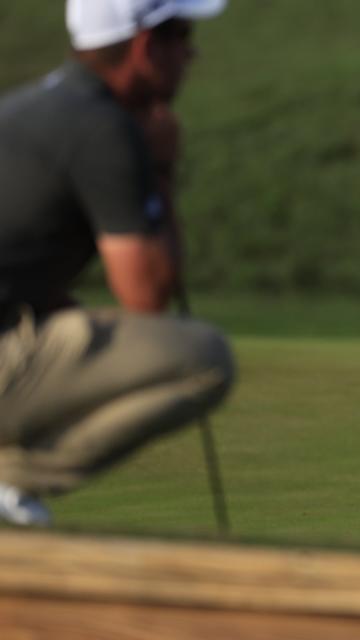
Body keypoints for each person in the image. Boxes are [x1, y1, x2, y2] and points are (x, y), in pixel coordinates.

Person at [0, 0, 233, 526]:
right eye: (182, 35)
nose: (191, 54)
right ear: (147, 46)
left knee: (71, 323)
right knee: (203, 357)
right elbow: (147, 296)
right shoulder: (104, 127)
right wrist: (162, 170)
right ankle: (14, 479)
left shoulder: (23, 108)